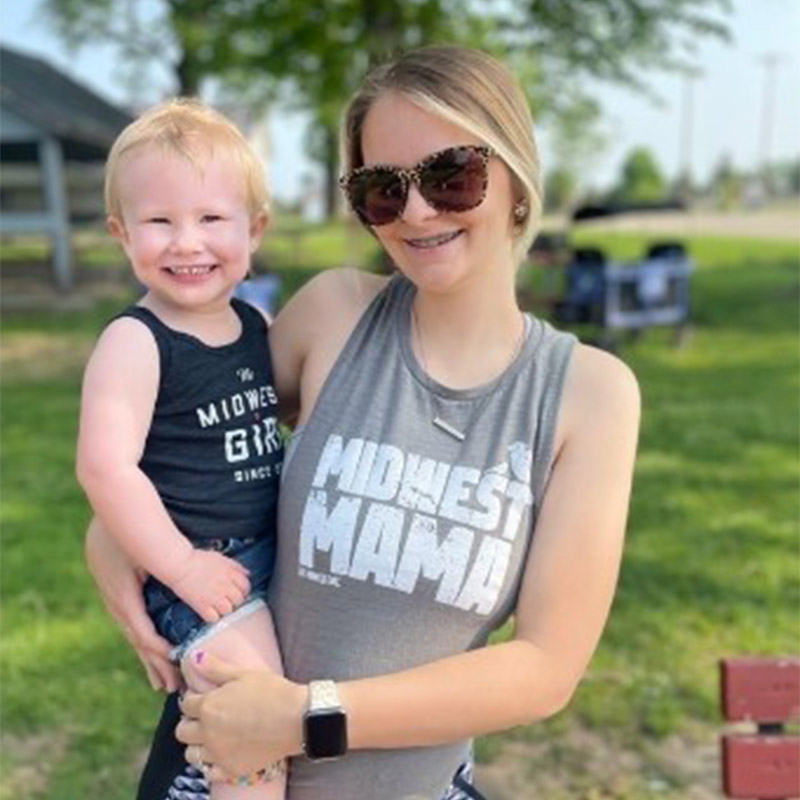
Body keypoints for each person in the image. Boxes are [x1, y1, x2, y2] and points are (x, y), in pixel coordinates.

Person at [85, 45, 640, 800]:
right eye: (383, 189)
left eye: (452, 176)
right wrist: (112, 537)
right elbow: (183, 432)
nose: (416, 211)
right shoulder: (333, 313)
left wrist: (305, 717)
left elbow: (544, 668)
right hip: (212, 776)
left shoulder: (590, 394)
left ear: (514, 177)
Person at [76, 99, 286, 799]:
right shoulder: (135, 341)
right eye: (160, 221)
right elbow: (105, 467)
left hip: (267, 557)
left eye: (211, 219)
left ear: (253, 231)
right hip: (200, 571)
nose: (186, 242)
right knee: (250, 724)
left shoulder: (256, 324)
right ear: (122, 233)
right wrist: (183, 568)